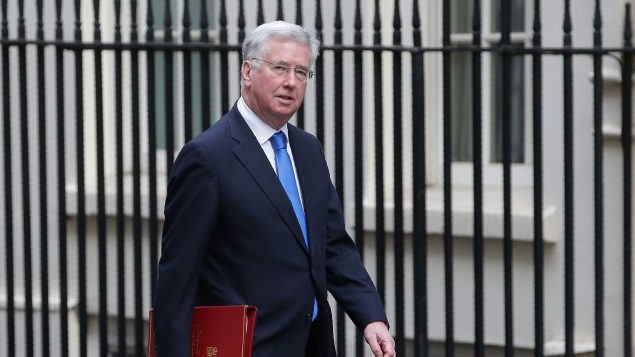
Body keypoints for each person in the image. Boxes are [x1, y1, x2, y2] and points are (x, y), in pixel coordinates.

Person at [153, 20, 395, 357]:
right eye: (280, 68)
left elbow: (333, 246)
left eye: (301, 72)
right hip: (247, 347)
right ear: (247, 71)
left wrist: (371, 318)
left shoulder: (308, 149)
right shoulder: (207, 157)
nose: (291, 83)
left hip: (313, 345)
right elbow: (177, 280)